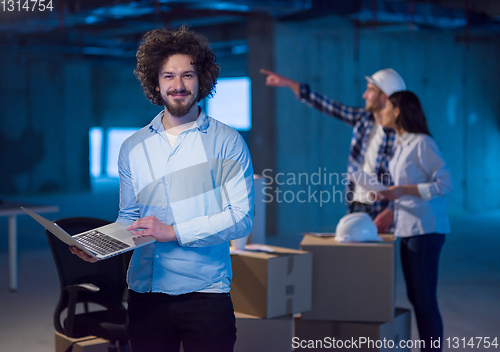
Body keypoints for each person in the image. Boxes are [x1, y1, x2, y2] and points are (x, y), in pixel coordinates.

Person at [70, 26, 254, 352]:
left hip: (204, 294)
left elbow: (240, 219)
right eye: (168, 76)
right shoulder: (132, 147)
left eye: (187, 75)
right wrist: (101, 247)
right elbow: (129, 218)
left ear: (202, 81)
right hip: (145, 293)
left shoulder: (227, 142)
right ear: (156, 83)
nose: (178, 85)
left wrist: (173, 231)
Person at [260, 68, 405, 232]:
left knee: (380, 257)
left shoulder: (402, 136)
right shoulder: (363, 120)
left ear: (385, 96)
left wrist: (393, 211)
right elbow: (329, 106)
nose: (364, 95)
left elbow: (410, 180)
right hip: (356, 203)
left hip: (382, 210)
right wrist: (289, 84)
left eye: (370, 90)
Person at [377, 91, 452, 351]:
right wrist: (391, 204)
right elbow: (403, 189)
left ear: (397, 110)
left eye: (386, 107)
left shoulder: (422, 143)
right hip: (408, 228)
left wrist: (402, 190)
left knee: (424, 300)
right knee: (417, 297)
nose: (382, 111)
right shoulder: (401, 144)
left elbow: (444, 184)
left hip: (426, 230)